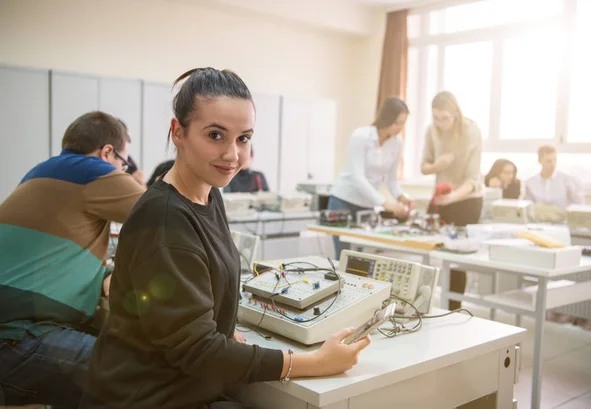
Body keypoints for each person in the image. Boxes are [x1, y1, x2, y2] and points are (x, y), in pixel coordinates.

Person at [81, 68, 370, 409]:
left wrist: (219, 325)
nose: (233, 154)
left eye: (243, 138)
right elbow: (199, 352)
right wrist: (315, 363)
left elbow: (193, 304)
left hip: (180, 389)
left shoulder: (208, 194)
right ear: (178, 132)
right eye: (216, 135)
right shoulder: (164, 218)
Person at [0, 112, 145, 408]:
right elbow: (169, 218)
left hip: (15, 332)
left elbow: (47, 257)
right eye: (123, 162)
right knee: (140, 375)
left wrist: (103, 273)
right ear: (107, 152)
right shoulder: (94, 171)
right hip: (17, 338)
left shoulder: (39, 172)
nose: (123, 170)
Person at [421, 91, 483, 311]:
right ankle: (424, 305)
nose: (440, 123)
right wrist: (438, 165)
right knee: (426, 246)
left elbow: (473, 179)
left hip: (466, 200)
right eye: (436, 118)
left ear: (455, 113)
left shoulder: (471, 131)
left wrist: (453, 197)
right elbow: (424, 166)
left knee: (456, 259)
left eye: (444, 118)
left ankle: (453, 309)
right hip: (441, 198)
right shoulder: (432, 130)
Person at [328, 97, 413, 258]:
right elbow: (357, 176)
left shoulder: (397, 143)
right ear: (386, 119)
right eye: (398, 123)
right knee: (344, 256)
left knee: (361, 259)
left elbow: (391, 179)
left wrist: (401, 197)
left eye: (403, 123)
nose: (401, 128)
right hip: (343, 201)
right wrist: (383, 203)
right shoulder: (361, 136)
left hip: (367, 205)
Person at [525, 145, 582, 209]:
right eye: (548, 161)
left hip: (562, 218)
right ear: (539, 161)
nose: (553, 164)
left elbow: (578, 205)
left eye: (555, 160)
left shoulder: (567, 180)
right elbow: (528, 207)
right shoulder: (530, 182)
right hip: (539, 218)